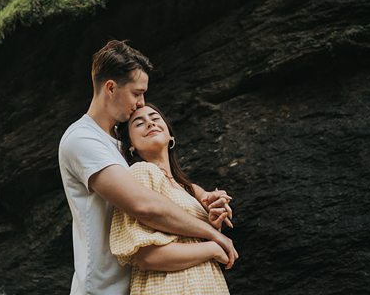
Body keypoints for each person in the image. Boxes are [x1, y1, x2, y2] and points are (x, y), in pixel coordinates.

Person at [58, 40, 238, 295]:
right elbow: (144, 205)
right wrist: (212, 235)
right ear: (110, 88)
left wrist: (200, 196)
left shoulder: (118, 146)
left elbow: (162, 179)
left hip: (139, 284)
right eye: (136, 93)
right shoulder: (83, 139)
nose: (141, 103)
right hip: (103, 289)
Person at [111, 103, 231, 294]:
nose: (150, 124)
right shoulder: (141, 172)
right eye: (139, 123)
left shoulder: (184, 187)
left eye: (155, 118)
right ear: (131, 145)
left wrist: (214, 222)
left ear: (170, 135)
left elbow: (188, 239)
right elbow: (147, 257)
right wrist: (213, 248)